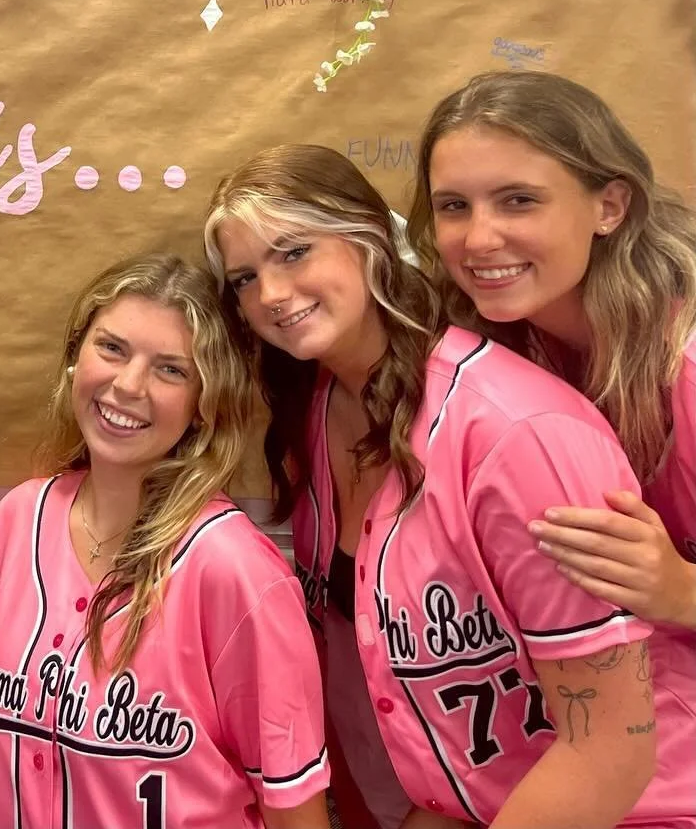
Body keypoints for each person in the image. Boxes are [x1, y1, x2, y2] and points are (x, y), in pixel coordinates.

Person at [206, 142, 695, 829]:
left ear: (368, 241)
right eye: (243, 279)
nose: (271, 294)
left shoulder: (518, 432)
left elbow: (610, 748)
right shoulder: (320, 407)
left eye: (294, 252)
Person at [0, 253, 330, 829]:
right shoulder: (19, 519)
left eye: (170, 370)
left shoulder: (235, 569)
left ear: (204, 404)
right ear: (75, 357)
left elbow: (295, 814)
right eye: (111, 348)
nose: (127, 385)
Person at [407, 70, 696, 643]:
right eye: (454, 206)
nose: (478, 239)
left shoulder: (686, 358)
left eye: (518, 200)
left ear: (609, 207)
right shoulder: (482, 343)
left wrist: (684, 591)